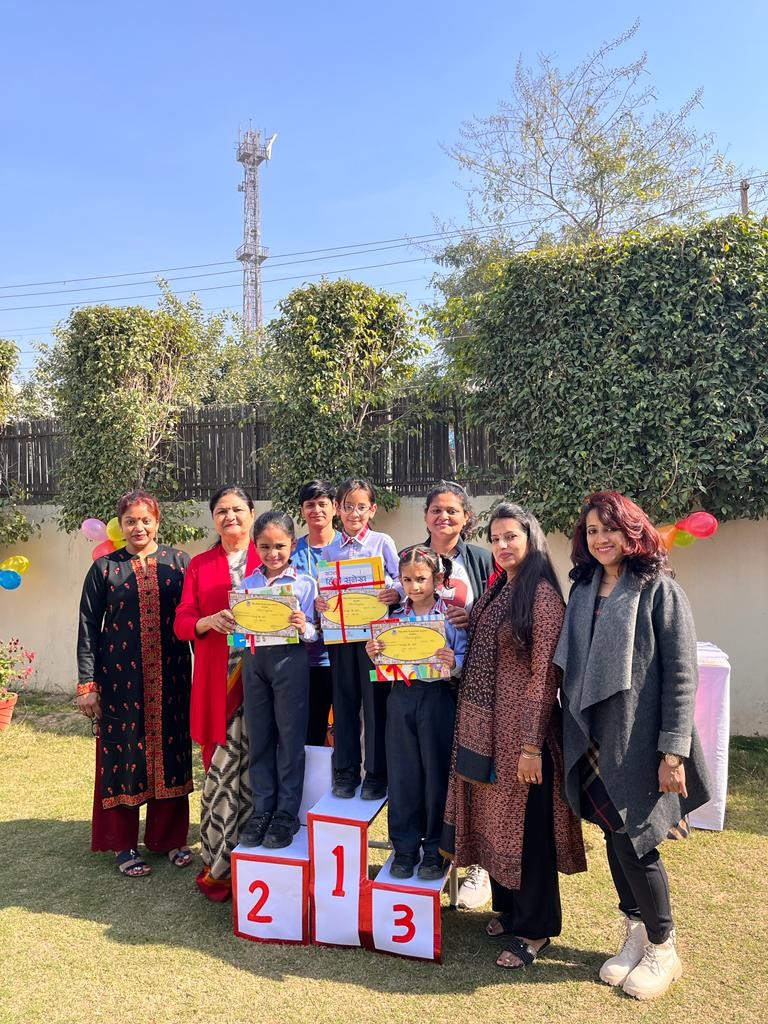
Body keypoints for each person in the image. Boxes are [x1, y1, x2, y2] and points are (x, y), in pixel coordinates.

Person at [554, 491, 711, 1000]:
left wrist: (673, 752)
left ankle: (664, 947)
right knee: (612, 835)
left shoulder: (660, 588)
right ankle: (636, 931)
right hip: (592, 736)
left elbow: (682, 676)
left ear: (632, 531)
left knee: (636, 842)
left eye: (610, 528)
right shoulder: (584, 588)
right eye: (592, 530)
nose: (601, 539)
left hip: (640, 741)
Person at [441, 502, 586, 969]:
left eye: (511, 537)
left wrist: (530, 746)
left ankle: (535, 929)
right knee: (497, 822)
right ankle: (510, 910)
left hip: (523, 736)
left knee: (527, 831)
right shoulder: (501, 586)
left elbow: (544, 675)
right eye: (495, 538)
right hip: (487, 731)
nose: (502, 546)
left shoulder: (541, 595)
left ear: (530, 538)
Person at [77, 489, 193, 877]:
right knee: (124, 756)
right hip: (120, 683)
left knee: (172, 753)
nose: (138, 527)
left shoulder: (179, 563)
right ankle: (123, 844)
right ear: (120, 525)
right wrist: (88, 683)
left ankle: (169, 839)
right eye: (130, 521)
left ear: (157, 521)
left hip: (173, 678)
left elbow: (193, 616)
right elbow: (88, 627)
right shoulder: (105, 569)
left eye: (146, 520)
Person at [174, 484, 260, 901]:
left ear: (252, 513)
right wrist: (207, 621)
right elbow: (182, 621)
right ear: (213, 519)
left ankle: (261, 862)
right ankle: (220, 864)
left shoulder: (270, 554)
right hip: (217, 683)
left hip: (262, 683)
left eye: (238, 509)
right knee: (220, 772)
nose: (231, 517)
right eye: (222, 511)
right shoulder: (200, 565)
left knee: (260, 769)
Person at [365, 545, 467, 880]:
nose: (415, 586)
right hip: (401, 698)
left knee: (436, 774)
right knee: (403, 774)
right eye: (407, 580)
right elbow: (383, 665)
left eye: (421, 579)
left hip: (437, 699)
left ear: (437, 579)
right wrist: (374, 652)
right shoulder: (393, 619)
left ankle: (436, 850)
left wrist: (454, 662)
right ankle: (405, 848)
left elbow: (465, 658)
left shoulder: (451, 617)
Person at [422, 480, 495, 908]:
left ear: (467, 517)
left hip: (473, 684)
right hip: (428, 687)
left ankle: (478, 866)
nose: (444, 516)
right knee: (433, 772)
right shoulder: (410, 558)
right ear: (426, 516)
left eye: (452, 510)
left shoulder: (483, 560)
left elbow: (498, 611)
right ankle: (436, 849)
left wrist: (474, 618)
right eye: (436, 509)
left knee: (472, 769)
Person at [238, 510, 318, 849]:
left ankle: (286, 813)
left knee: (289, 738)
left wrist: (303, 625)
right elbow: (240, 632)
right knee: (259, 737)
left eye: (280, 546)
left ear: (293, 545)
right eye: (265, 546)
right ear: (255, 546)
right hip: (255, 661)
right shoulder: (247, 584)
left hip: (291, 661)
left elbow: (315, 634)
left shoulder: (305, 583)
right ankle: (262, 810)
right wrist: (233, 623)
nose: (273, 553)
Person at [317, 477, 399, 801]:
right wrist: (321, 602)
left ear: (372, 509)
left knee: (375, 703)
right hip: (340, 639)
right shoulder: (329, 549)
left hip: (374, 641)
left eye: (361, 507)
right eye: (348, 506)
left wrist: (395, 592)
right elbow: (324, 589)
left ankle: (376, 773)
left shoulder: (382, 542)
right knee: (344, 702)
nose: (354, 513)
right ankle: (345, 771)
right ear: (337, 509)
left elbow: (400, 579)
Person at [292, 480, 341, 746]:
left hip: (345, 656)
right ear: (302, 510)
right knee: (311, 731)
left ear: (335, 507)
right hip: (307, 659)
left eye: (323, 504)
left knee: (348, 729)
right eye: (310, 505)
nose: (317, 510)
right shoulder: (292, 552)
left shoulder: (349, 547)